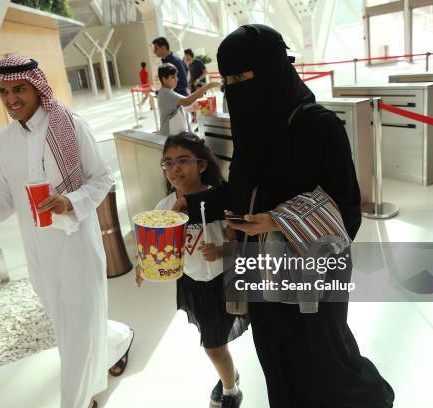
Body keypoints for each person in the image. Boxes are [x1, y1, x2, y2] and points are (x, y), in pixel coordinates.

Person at [174, 25, 395, 408]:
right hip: (260, 266)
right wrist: (192, 205)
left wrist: (278, 220)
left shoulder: (317, 125)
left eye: (242, 77)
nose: (234, 88)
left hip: (315, 269)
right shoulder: (252, 128)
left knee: (325, 356)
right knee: (276, 357)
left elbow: (345, 208)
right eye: (226, 80)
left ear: (273, 69)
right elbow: (242, 192)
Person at [0, 55, 134, 408]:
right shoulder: (3, 141)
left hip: (76, 245)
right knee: (70, 325)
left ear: (37, 87)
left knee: (77, 333)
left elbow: (102, 178)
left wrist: (70, 201)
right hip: (38, 252)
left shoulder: (69, 125)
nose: (12, 99)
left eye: (19, 89)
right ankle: (119, 339)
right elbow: (8, 196)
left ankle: (77, 400)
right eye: (4, 92)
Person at [136, 133, 248, 408]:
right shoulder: (164, 207)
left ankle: (231, 391)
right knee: (213, 341)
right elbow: (156, 242)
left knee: (212, 345)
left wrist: (222, 251)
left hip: (219, 283)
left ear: (200, 165)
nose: (175, 169)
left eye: (183, 161)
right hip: (191, 282)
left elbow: (238, 239)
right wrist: (144, 262)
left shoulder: (217, 200)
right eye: (168, 163)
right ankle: (228, 375)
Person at [157, 63, 219, 136]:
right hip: (170, 137)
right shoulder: (166, 93)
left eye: (176, 76)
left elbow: (173, 113)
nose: (177, 79)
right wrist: (208, 86)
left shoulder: (167, 91)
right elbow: (187, 101)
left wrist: (191, 108)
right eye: (173, 77)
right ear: (164, 79)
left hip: (173, 136)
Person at [183, 49, 208, 123]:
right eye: (185, 56)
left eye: (186, 55)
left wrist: (198, 80)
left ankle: (202, 119)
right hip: (193, 86)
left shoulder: (198, 62)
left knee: (200, 103)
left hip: (200, 85)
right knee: (192, 102)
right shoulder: (189, 64)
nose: (185, 57)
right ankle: (195, 118)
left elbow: (205, 72)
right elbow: (190, 76)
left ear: (190, 55)